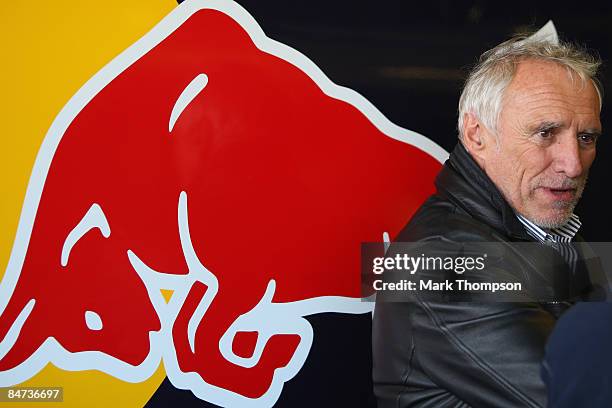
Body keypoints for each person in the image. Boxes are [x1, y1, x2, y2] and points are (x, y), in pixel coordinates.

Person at [372, 33, 603, 407]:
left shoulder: (544, 230)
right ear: (476, 134)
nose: (573, 164)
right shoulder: (443, 260)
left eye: (587, 137)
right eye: (545, 133)